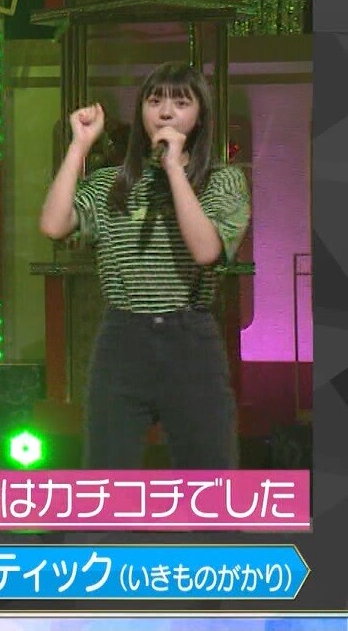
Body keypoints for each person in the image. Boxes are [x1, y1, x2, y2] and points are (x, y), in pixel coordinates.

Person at [39, 61, 250, 469]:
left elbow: (206, 251)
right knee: (107, 470)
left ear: (200, 116)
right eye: (155, 102)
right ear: (141, 112)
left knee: (208, 471)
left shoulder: (223, 181)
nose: (166, 113)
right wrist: (78, 146)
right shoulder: (110, 183)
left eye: (181, 103)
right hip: (123, 336)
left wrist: (174, 169)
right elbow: (53, 224)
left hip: (191, 338)